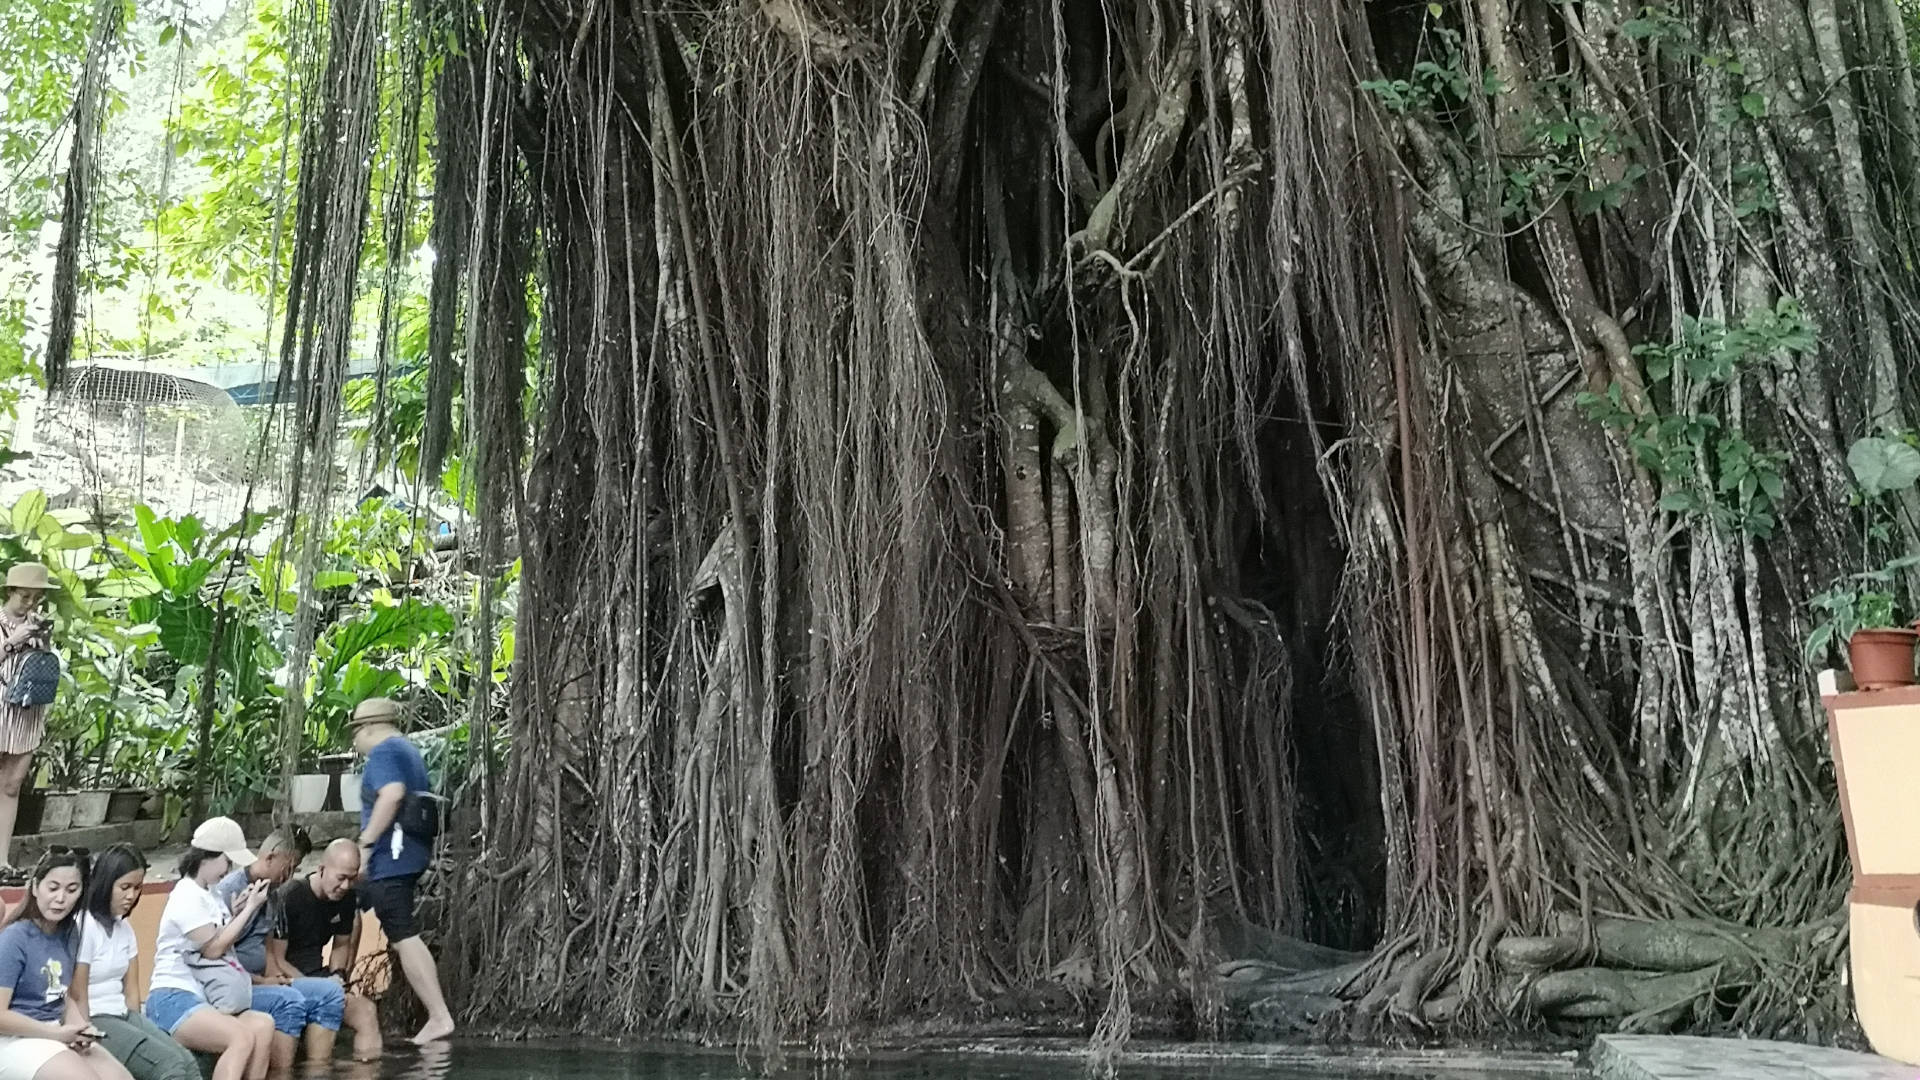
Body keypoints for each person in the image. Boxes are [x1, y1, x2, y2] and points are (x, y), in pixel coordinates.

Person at [351, 698, 453, 1044]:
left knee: (401, 930)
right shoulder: (408, 751)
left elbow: (391, 795)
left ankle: (439, 1016)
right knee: (380, 918)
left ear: (368, 728)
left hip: (393, 854)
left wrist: (365, 844)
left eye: (355, 733)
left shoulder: (384, 753)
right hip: (410, 852)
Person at [210, 831, 360, 1064]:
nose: (291, 875)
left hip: (263, 981)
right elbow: (216, 957)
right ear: (271, 857)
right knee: (289, 1001)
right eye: (289, 867)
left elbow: (269, 949)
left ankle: (317, 1072)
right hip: (236, 984)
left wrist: (276, 976)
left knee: (331, 993)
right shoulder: (229, 890)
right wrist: (263, 981)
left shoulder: (273, 895)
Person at [143, 820, 275, 1080]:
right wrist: (250, 909)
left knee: (263, 1025)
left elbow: (219, 938)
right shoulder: (186, 895)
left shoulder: (210, 893)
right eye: (228, 861)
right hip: (173, 997)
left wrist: (237, 911)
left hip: (203, 996)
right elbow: (214, 949)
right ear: (208, 857)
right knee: (241, 1037)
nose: (230, 870)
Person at [0, 849, 132, 1080]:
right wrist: (55, 1034)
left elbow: (63, 995)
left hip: (54, 1031)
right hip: (13, 1039)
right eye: (53, 888)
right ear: (35, 887)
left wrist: (81, 1027)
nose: (61, 899)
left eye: (71, 890)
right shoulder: (14, 938)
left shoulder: (71, 932)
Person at [71, 845, 200, 1080]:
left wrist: (138, 1028)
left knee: (187, 1062)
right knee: (169, 1066)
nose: (131, 895)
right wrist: (87, 1036)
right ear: (105, 883)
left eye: (137, 888)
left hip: (123, 1014)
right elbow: (79, 994)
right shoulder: (84, 926)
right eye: (125, 887)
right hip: (96, 1017)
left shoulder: (124, 928)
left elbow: (132, 992)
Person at [266, 841, 379, 1060]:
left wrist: (337, 976)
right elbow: (276, 960)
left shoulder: (346, 899)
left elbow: (341, 944)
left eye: (352, 878)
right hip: (286, 979)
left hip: (319, 976)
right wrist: (320, 988)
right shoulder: (290, 897)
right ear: (321, 869)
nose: (346, 886)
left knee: (366, 1011)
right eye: (341, 878)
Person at [0, 565, 59, 883]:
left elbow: (42, 667)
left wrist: (42, 639)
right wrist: (13, 640)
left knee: (11, 786)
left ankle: (2, 861)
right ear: (10, 592)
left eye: (36, 598)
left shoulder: (37, 623)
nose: (30, 604)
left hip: (26, 712)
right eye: (25, 597)